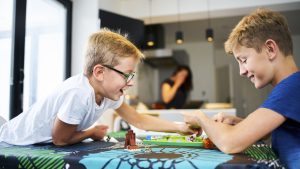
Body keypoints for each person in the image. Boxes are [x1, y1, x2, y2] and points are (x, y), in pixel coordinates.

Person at [0, 28, 195, 146]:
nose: (131, 81)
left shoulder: (110, 94)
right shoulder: (79, 93)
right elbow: (60, 139)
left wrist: (178, 127)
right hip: (9, 141)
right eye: (127, 74)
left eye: (132, 75)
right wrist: (91, 132)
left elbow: (138, 120)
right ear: (100, 72)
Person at [184, 8, 299, 168]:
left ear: (270, 49)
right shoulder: (292, 86)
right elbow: (265, 132)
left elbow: (229, 143)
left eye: (243, 60)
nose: (241, 71)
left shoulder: (292, 87)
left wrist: (200, 117)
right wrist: (238, 122)